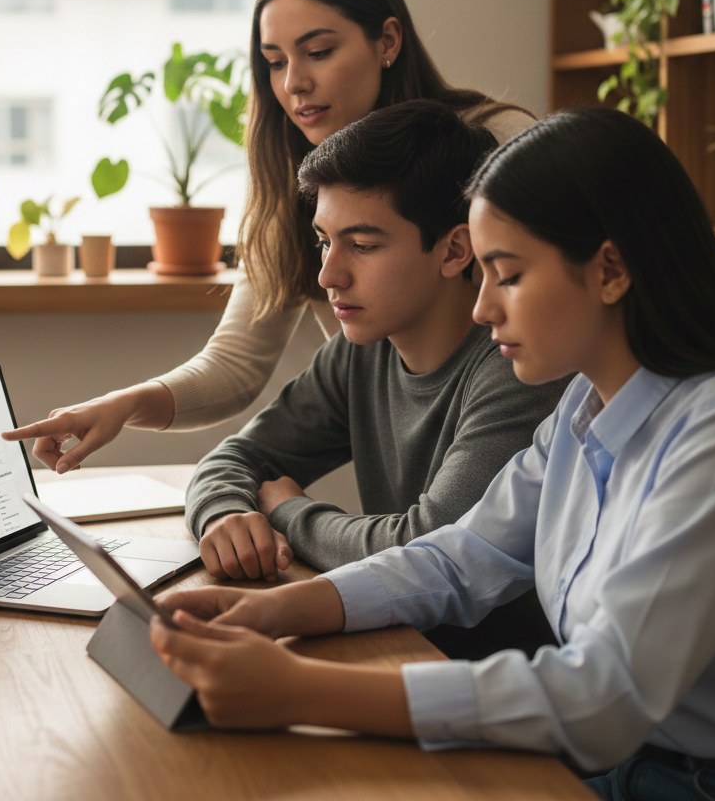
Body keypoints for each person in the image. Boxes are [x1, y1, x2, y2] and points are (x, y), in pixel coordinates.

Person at [149, 107, 715, 799]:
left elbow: (603, 697)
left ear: (610, 269)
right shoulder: (586, 411)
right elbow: (460, 558)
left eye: (507, 274)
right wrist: (278, 611)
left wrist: (301, 691)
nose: (482, 309)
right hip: (641, 766)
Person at [3, 0, 533, 473]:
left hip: (514, 441)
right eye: (274, 62)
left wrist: (287, 512)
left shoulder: (499, 145)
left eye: (319, 52)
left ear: (387, 41)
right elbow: (235, 365)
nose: (293, 83)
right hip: (407, 475)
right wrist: (123, 405)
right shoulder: (292, 184)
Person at [186, 100, 568, 598]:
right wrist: (228, 513)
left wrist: (287, 511)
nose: (328, 275)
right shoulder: (364, 350)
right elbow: (237, 456)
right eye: (325, 241)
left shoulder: (517, 366)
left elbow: (425, 549)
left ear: (455, 250)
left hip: (476, 665)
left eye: (362, 245)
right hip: (390, 634)